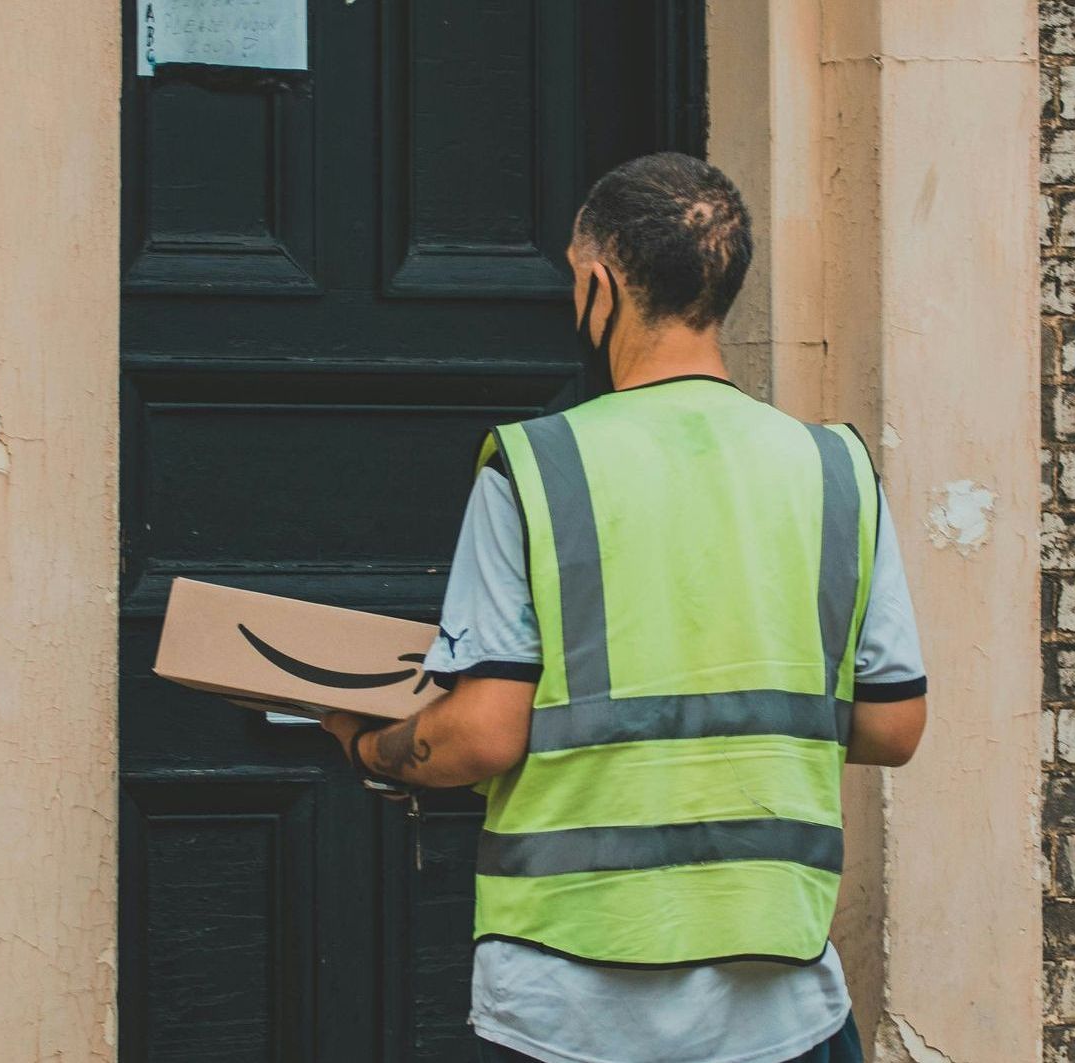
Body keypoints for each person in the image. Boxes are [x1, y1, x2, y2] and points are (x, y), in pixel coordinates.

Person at [322, 151, 928, 1063]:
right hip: (776, 996)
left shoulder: (537, 467)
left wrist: (366, 746)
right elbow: (893, 725)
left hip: (569, 999)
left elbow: (483, 734)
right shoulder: (834, 469)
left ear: (598, 281)